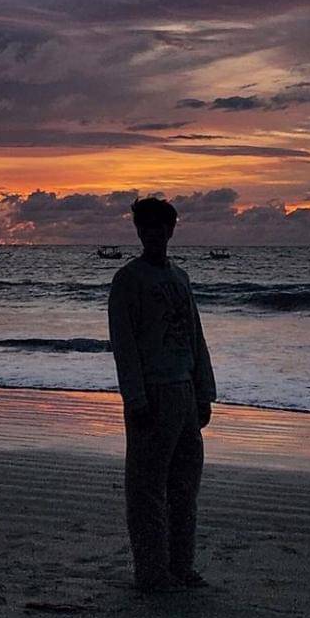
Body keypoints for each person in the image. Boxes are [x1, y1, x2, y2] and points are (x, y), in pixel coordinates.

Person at [107, 196, 216, 594]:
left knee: (185, 486)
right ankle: (152, 572)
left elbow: (194, 336)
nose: (153, 234)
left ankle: (180, 566)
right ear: (139, 231)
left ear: (171, 230)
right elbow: (125, 344)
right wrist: (135, 399)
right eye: (146, 227)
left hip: (185, 391)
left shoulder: (179, 278)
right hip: (152, 392)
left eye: (160, 227)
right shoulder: (128, 280)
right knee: (146, 490)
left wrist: (204, 392)